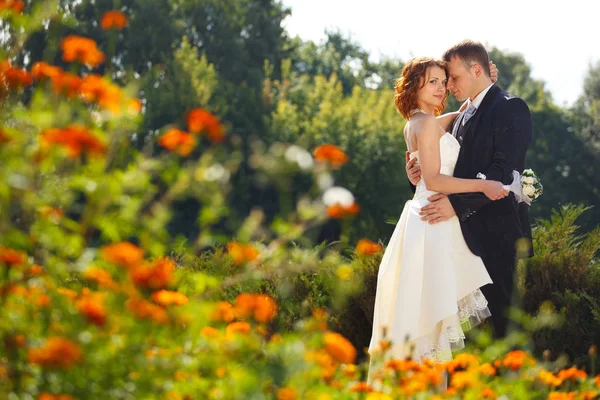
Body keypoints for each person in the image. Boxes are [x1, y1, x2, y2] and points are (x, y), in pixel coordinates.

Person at [368, 56, 507, 366]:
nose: (441, 88)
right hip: (432, 220)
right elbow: (433, 179)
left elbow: (463, 115)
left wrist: (487, 84)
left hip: (421, 216)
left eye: (444, 82)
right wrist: (482, 186)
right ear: (414, 85)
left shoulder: (416, 122)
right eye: (433, 81)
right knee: (431, 320)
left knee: (424, 314)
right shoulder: (426, 123)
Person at [406, 40, 533, 339]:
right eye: (443, 80)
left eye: (453, 78)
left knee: (504, 325)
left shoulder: (510, 107)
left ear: (477, 70)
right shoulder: (462, 116)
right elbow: (442, 168)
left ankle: (513, 384)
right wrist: (415, 172)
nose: (448, 86)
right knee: (462, 334)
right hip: (455, 236)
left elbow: (502, 172)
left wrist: (456, 205)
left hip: (494, 234)